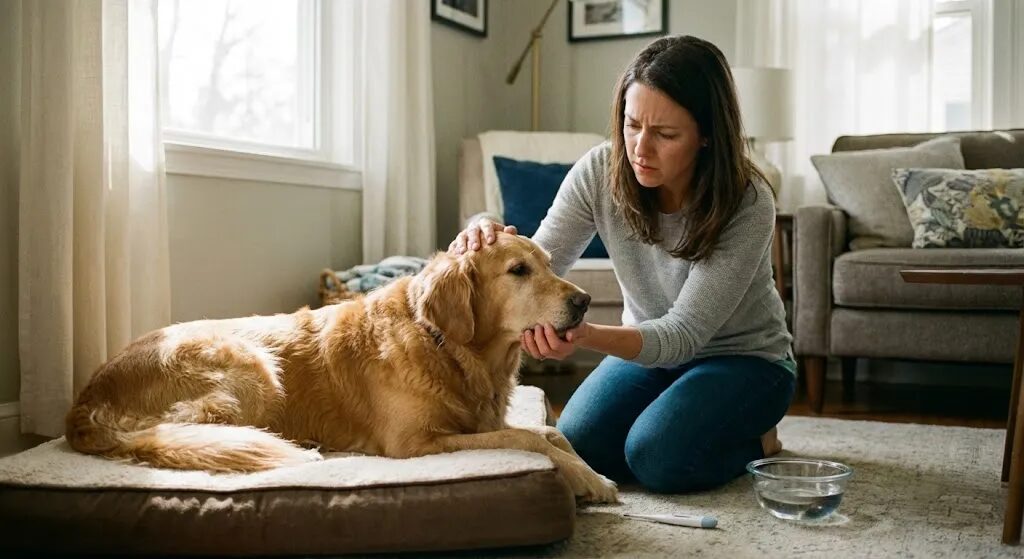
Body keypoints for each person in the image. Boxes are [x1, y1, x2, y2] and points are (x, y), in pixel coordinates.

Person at [449, 35, 795, 493]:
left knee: (657, 458)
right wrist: (483, 226)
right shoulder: (601, 170)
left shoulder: (748, 200)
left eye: (666, 134)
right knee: (581, 443)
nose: (640, 148)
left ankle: (758, 442)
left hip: (747, 361)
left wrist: (586, 336)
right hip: (648, 351)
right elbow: (540, 253)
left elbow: (683, 336)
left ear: (707, 135)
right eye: (632, 125)